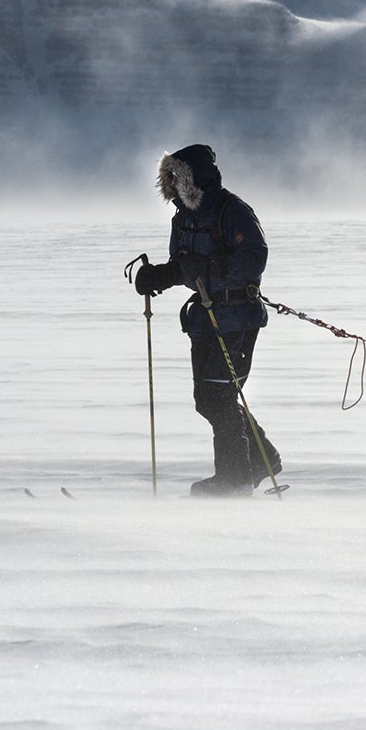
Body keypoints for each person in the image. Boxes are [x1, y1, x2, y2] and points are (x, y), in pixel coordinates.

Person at [132, 144, 282, 496]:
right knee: (210, 398)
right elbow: (183, 265)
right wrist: (157, 277)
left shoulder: (233, 211)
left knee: (218, 396)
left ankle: (235, 478)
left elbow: (254, 258)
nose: (171, 183)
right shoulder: (183, 218)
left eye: (177, 176)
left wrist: (211, 269)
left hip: (237, 317)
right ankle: (262, 460)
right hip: (204, 318)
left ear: (193, 178)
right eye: (168, 177)